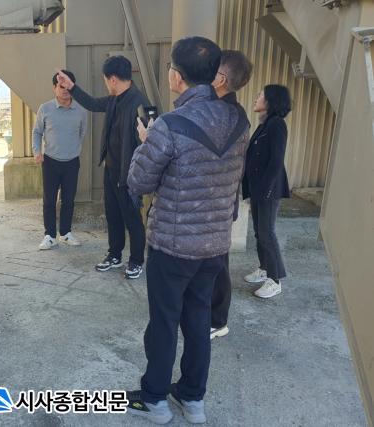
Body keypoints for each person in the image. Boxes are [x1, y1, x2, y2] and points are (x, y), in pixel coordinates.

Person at [125, 37, 250, 425]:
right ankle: (193, 399)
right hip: (214, 245)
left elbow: (139, 181)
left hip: (173, 246)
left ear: (176, 77)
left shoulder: (170, 125)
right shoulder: (239, 121)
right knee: (198, 321)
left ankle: (155, 400)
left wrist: (146, 142)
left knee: (164, 322)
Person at [56, 56, 149, 279]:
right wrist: (72, 87)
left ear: (113, 79)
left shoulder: (139, 103)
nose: (106, 84)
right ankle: (114, 255)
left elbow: (148, 143)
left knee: (132, 218)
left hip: (129, 173)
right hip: (111, 168)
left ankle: (136, 260)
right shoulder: (115, 99)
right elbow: (92, 103)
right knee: (113, 215)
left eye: (106, 80)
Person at [209, 50, 253, 340]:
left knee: (217, 263)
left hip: (217, 201)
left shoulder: (226, 115)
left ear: (221, 79)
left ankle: (218, 319)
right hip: (217, 200)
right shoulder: (229, 112)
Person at [242, 85, 292, 298]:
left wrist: (265, 190)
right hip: (259, 188)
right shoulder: (265, 124)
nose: (256, 98)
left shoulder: (277, 124)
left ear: (271, 100)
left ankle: (275, 279)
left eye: (260, 95)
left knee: (267, 233)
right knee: (259, 232)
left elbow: (276, 161)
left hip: (268, 189)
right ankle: (264, 268)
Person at [33, 70, 88, 250]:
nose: (65, 90)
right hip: (50, 161)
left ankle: (65, 233)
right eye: (60, 87)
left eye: (67, 87)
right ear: (54, 88)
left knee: (68, 200)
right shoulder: (45, 108)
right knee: (49, 200)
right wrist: (37, 151)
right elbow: (37, 132)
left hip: (72, 162)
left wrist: (72, 149)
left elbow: (81, 133)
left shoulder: (81, 111)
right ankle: (49, 235)